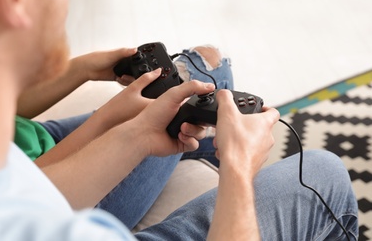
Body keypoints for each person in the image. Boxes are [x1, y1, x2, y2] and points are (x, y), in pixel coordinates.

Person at [0, 0, 359, 240]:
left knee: (197, 97)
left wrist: (134, 136)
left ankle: (210, 148)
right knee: (323, 171)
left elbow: (32, 185)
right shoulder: (68, 229)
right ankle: (226, 151)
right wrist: (239, 172)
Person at [14, 44, 234, 228]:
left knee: (200, 92)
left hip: (28, 138)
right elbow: (27, 193)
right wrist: (109, 120)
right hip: (59, 202)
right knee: (212, 68)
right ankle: (232, 156)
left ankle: (224, 147)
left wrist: (86, 67)